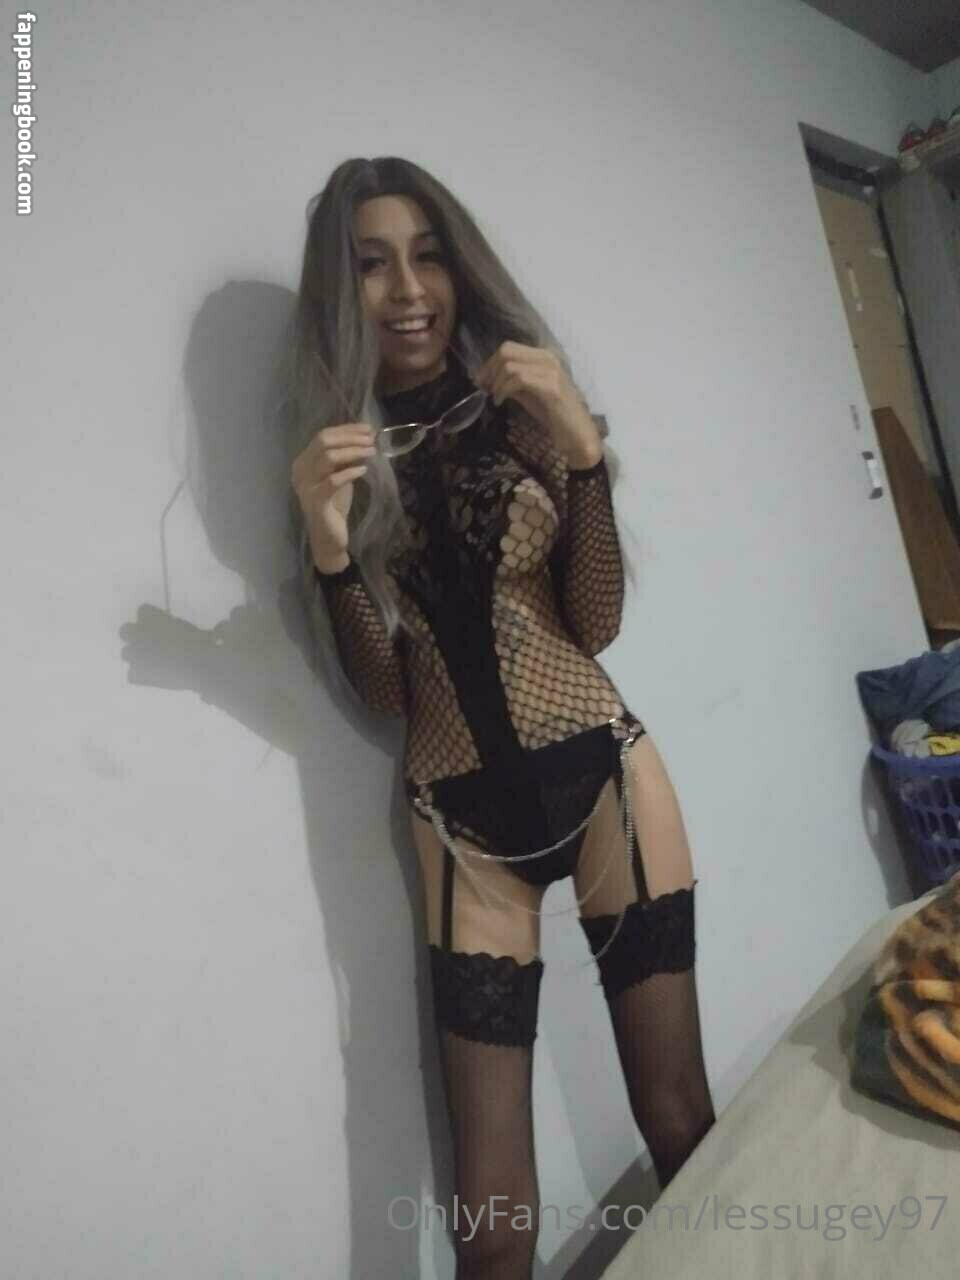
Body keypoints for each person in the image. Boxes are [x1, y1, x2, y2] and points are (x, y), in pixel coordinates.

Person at [285, 156, 715, 1279]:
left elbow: (594, 619)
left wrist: (584, 452)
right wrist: (328, 551)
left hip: (606, 775)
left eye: (428, 256)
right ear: (341, 290)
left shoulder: (524, 410)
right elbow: (388, 693)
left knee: (678, 1116)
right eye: (372, 265)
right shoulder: (338, 459)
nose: (407, 290)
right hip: (460, 825)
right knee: (492, 1216)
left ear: (459, 271)